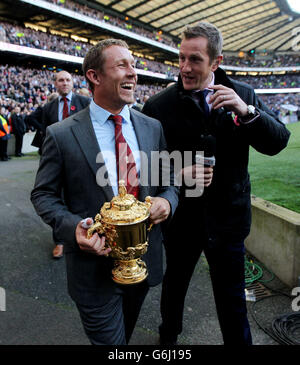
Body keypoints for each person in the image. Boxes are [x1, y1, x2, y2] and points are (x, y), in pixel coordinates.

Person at [142, 22, 291, 345]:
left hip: (229, 219)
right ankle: (167, 340)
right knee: (175, 286)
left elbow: (277, 141)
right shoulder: (158, 106)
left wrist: (246, 111)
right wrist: (180, 173)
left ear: (216, 62)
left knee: (232, 299)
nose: (184, 67)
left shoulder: (244, 94)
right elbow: (143, 169)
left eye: (194, 59)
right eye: (181, 58)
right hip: (181, 220)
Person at [31, 38, 179, 345]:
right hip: (92, 274)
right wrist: (75, 230)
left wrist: (167, 200)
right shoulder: (60, 135)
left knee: (123, 338)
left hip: (143, 266)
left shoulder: (152, 127)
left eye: (134, 66)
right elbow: (43, 195)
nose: (133, 74)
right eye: (122, 65)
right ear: (94, 77)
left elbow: (170, 181)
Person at [42, 71, 90, 258]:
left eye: (68, 80)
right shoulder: (49, 108)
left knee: (79, 197)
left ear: (73, 83)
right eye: (61, 80)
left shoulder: (84, 103)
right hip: (56, 162)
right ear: (55, 84)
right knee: (56, 199)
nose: (64, 83)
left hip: (80, 159)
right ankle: (60, 241)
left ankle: (85, 233)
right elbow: (46, 135)